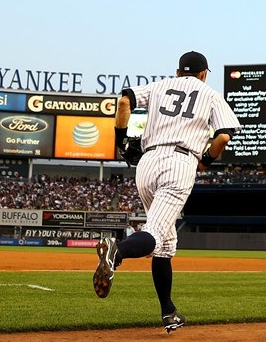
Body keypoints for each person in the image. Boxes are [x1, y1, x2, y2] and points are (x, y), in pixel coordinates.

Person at [92, 51, 242, 333]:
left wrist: (121, 139)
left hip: (146, 164)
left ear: (177, 72)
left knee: (165, 243)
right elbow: (222, 136)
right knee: (156, 233)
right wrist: (206, 160)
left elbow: (124, 101)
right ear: (203, 74)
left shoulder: (159, 86)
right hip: (180, 161)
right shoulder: (210, 94)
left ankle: (168, 312)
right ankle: (117, 252)